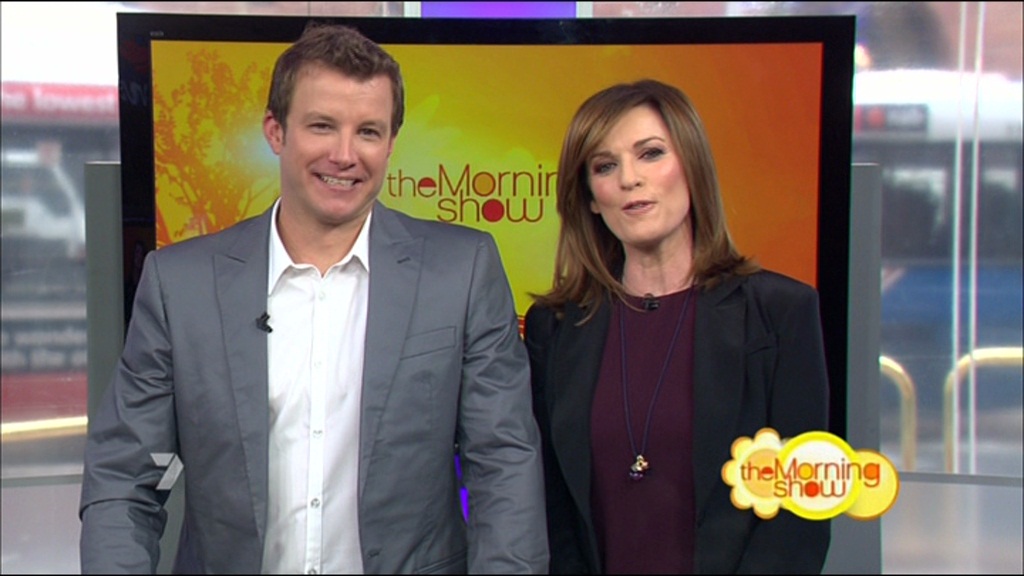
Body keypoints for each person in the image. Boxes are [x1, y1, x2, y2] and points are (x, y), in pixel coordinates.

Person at [80, 22, 548, 574]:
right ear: (275, 132)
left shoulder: (462, 272)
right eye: (322, 126)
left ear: (391, 143)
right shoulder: (180, 284)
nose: (345, 154)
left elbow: (503, 464)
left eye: (368, 131)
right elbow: (126, 477)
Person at [524, 79, 831, 574]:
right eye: (605, 166)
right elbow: (549, 503)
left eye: (650, 154)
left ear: (692, 166)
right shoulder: (555, 327)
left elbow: (800, 512)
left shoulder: (780, 312)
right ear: (591, 199)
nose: (629, 179)